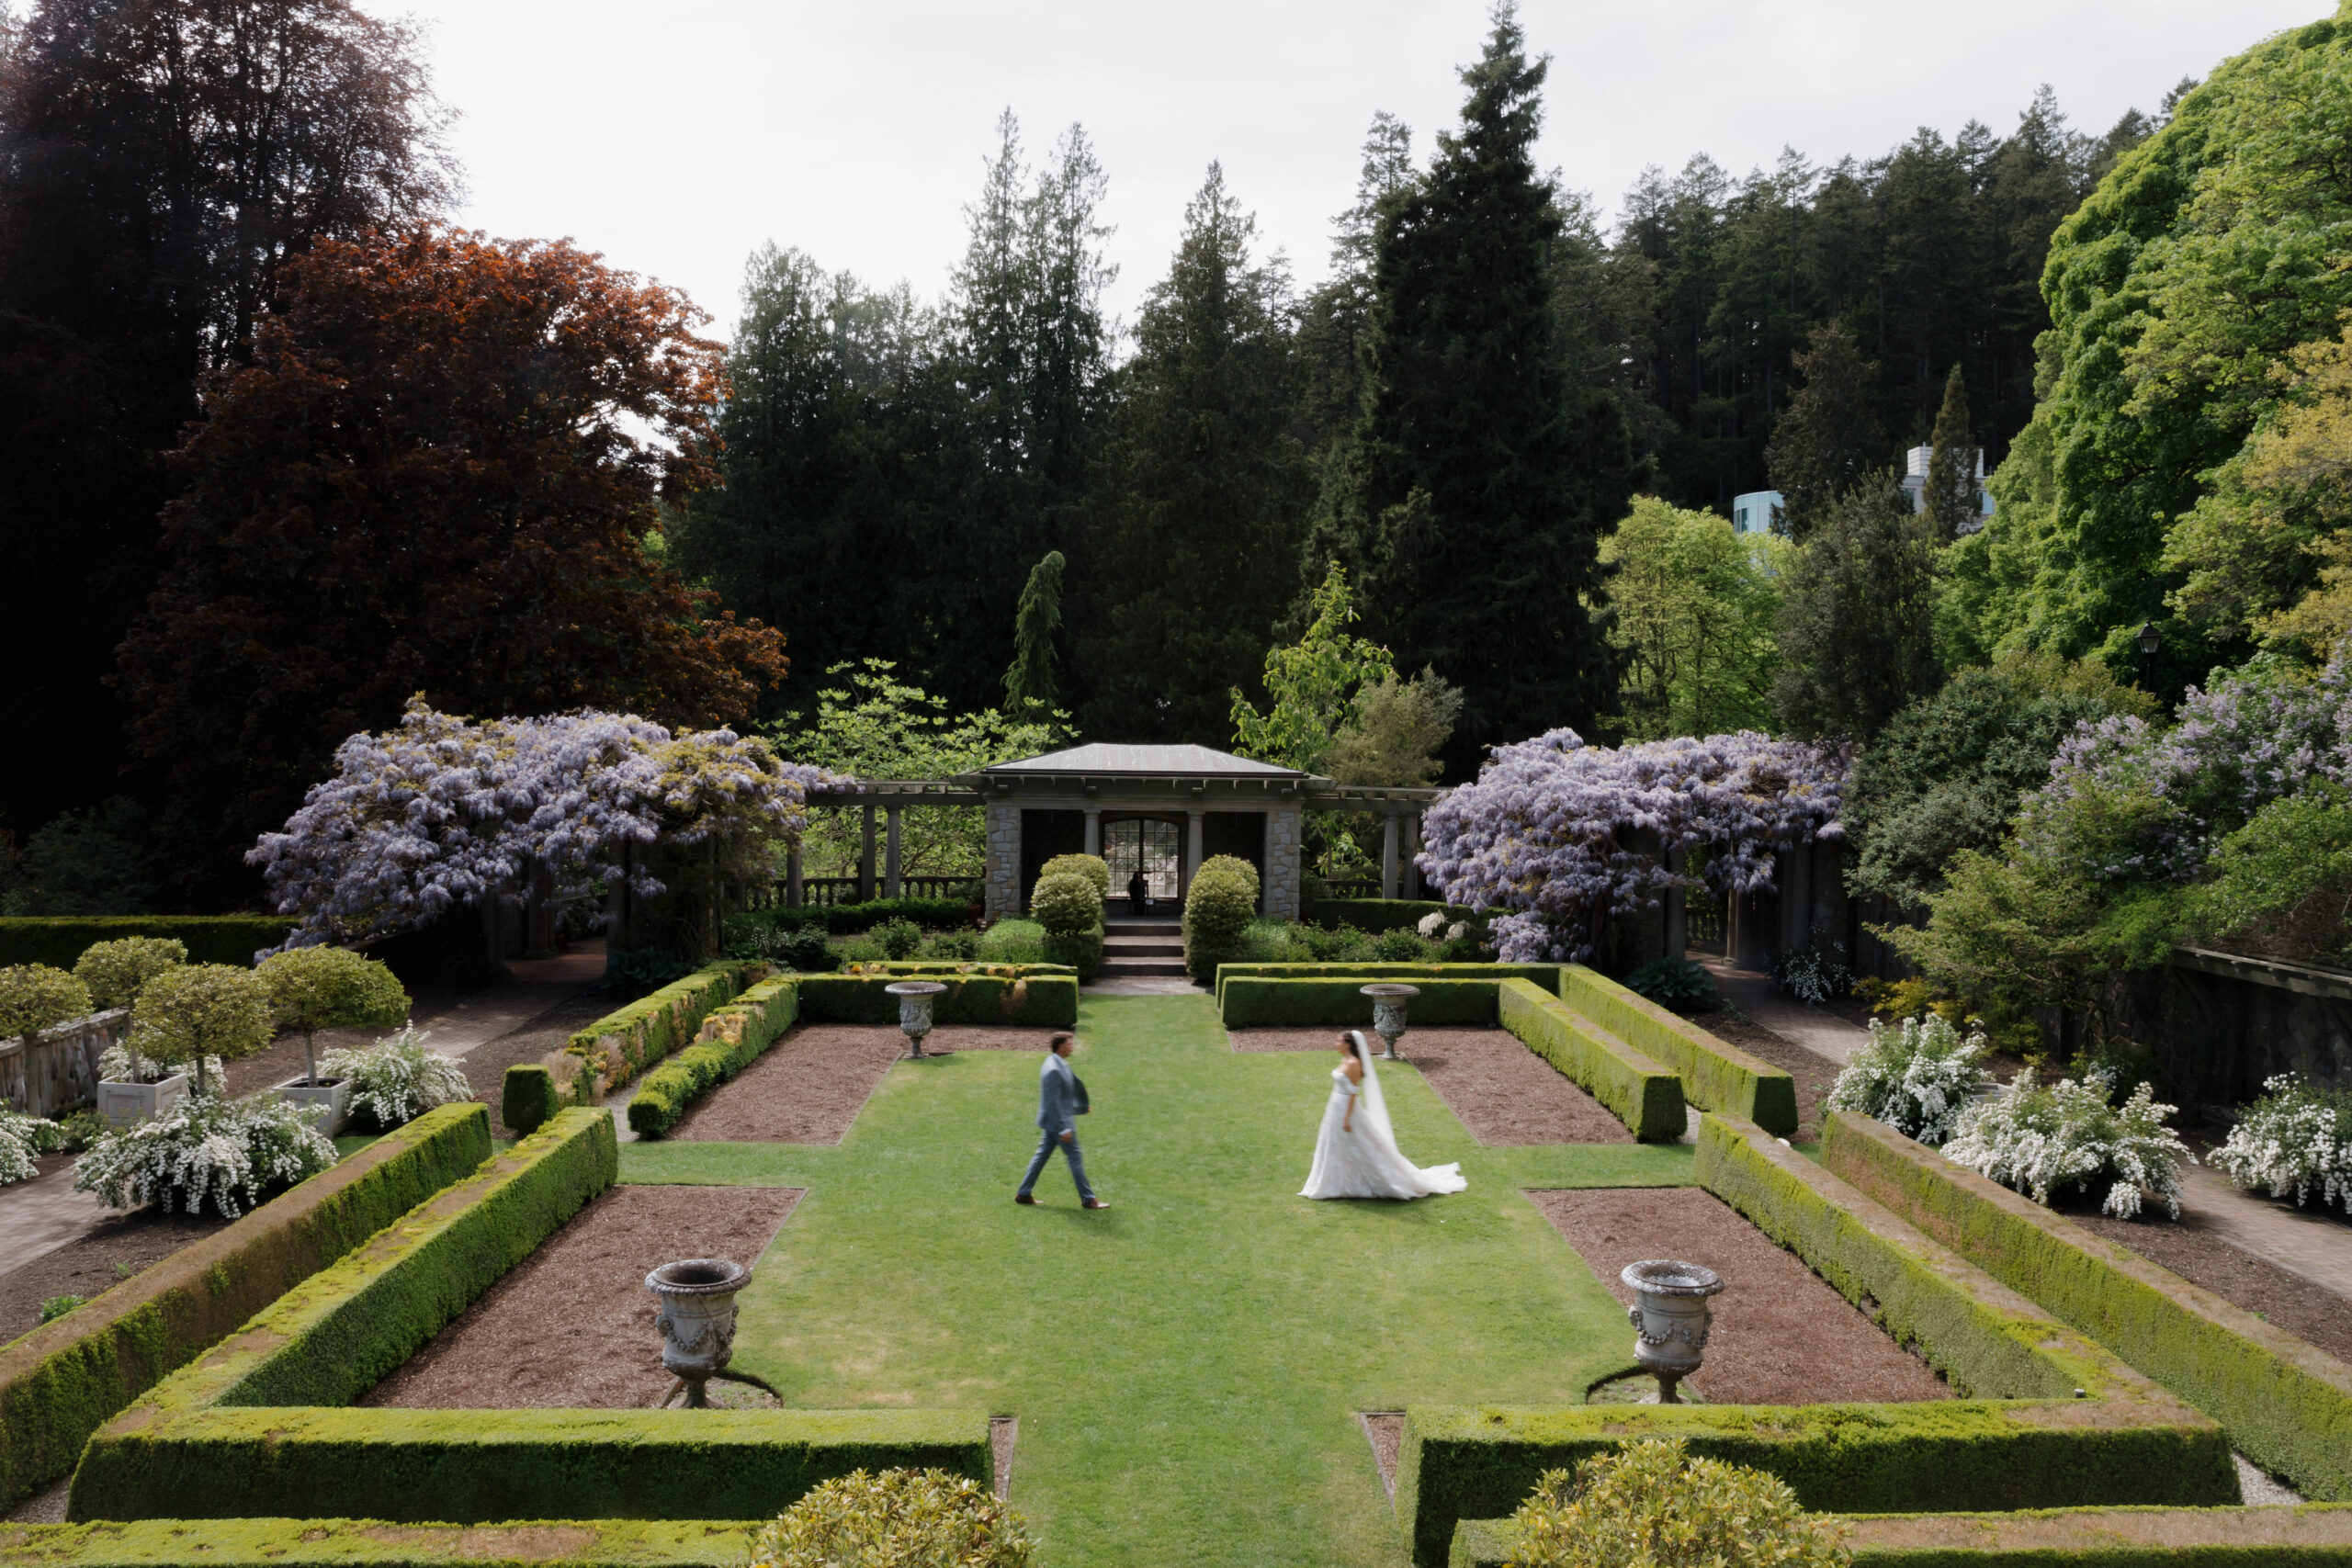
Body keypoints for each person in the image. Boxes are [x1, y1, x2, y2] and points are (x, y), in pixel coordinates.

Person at [1300, 1030, 1466, 1200]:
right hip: (1335, 1106)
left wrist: (1347, 1117)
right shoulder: (1345, 1060)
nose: (1336, 1044)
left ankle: (1374, 1179)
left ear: (1348, 1044)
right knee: (1336, 1141)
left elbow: (1353, 1091)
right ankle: (1338, 1180)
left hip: (1345, 1108)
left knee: (1362, 1142)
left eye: (1339, 1041)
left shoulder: (1353, 1063)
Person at [1017, 1032, 1108, 1209]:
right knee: (1074, 1157)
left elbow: (1069, 1088)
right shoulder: (1053, 1069)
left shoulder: (1058, 1063)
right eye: (1069, 1043)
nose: (1072, 1045)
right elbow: (1053, 1102)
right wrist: (1063, 1129)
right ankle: (1089, 1199)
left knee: (1041, 1156)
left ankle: (1023, 1193)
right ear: (1060, 1046)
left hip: (1054, 1123)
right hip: (1060, 1123)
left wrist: (1081, 1107)